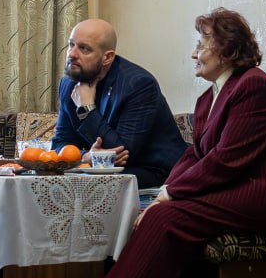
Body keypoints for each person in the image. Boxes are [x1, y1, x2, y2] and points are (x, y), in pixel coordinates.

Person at [35, 8, 266, 278]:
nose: (194, 52)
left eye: (202, 44)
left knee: (161, 219)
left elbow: (226, 161)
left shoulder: (254, 86)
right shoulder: (209, 98)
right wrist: (162, 195)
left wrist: (168, 195)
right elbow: (193, 156)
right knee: (151, 215)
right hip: (229, 190)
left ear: (228, 50)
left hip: (261, 194)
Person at [50, 18, 187, 189]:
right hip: (102, 170)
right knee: (52, 177)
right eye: (71, 45)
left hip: (152, 171)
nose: (72, 54)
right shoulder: (69, 83)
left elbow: (123, 153)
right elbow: (59, 144)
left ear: (107, 57)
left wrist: (87, 109)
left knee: (91, 184)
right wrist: (86, 157)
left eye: (84, 48)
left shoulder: (139, 85)